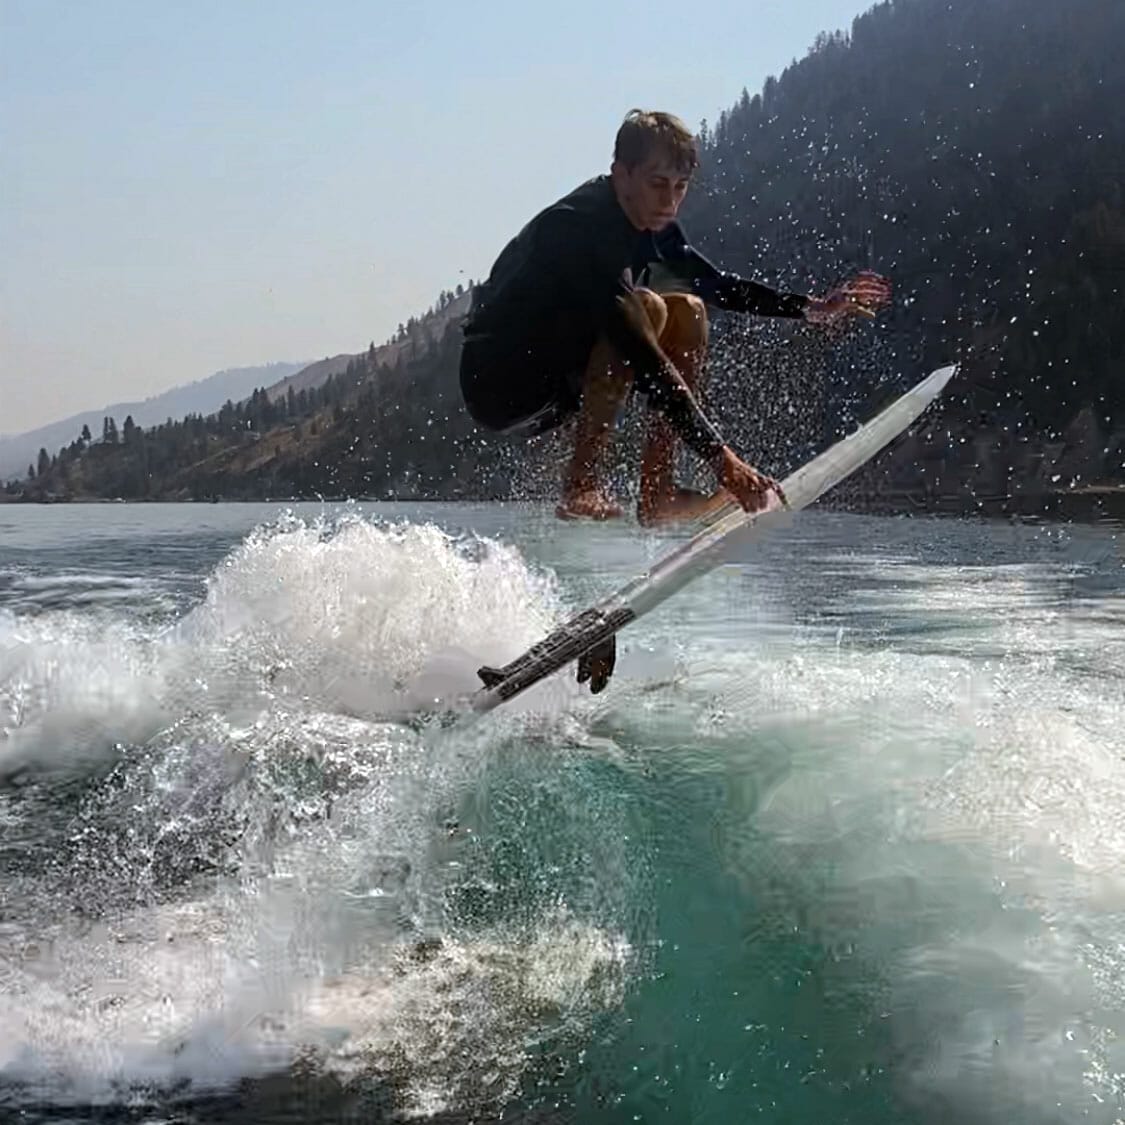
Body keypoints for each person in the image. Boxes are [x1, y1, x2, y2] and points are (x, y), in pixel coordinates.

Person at [459, 109, 891, 525]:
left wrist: (811, 308)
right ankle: (580, 485)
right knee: (647, 307)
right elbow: (642, 354)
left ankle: (658, 493)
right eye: (658, 184)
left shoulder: (653, 225)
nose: (669, 202)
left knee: (689, 308)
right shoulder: (581, 227)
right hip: (502, 383)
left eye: (681, 187)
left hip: (560, 377)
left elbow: (717, 285)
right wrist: (721, 457)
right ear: (621, 173)